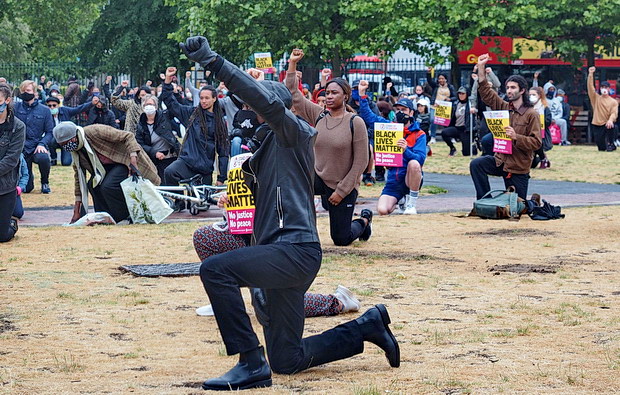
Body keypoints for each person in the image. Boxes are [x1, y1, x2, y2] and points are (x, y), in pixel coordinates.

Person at [180, 35, 400, 391]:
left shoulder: (293, 132)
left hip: (295, 250)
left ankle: (251, 362)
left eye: (256, 102)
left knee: (215, 270)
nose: (248, 107)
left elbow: (260, 98)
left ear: (271, 106)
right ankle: (367, 326)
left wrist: (213, 61)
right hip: (278, 251)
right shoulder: (264, 148)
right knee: (287, 359)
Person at [193, 194, 360, 317]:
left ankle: (336, 302)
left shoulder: (284, 163)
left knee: (268, 305)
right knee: (204, 237)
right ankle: (224, 299)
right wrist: (230, 202)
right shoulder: (250, 161)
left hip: (275, 242)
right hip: (247, 235)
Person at [286, 48, 372, 246]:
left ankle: (364, 220)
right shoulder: (319, 115)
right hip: (319, 177)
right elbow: (293, 93)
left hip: (343, 183)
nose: (330, 96)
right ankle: (297, 232)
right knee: (293, 185)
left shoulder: (355, 122)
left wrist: (342, 191)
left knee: (341, 239)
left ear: (346, 96)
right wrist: (292, 64)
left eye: (335, 93)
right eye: (328, 93)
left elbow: (361, 161)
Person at [52, 121, 160, 224]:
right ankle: (104, 216)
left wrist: (133, 158)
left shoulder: (94, 131)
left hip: (124, 161)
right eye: (63, 145)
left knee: (108, 185)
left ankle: (123, 215)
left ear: (76, 135)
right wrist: (76, 212)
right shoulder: (77, 154)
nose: (67, 146)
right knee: (93, 185)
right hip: (105, 169)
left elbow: (128, 136)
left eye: (69, 142)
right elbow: (79, 183)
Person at [470, 54, 541, 201]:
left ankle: (532, 203)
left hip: (518, 167)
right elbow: (486, 93)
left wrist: (516, 137)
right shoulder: (503, 106)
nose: (509, 90)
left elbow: (536, 143)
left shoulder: (531, 114)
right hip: (500, 161)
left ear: (522, 91)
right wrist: (481, 68)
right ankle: (484, 201)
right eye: (508, 87)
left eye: (513, 88)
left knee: (517, 206)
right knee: (477, 164)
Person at [356, 80, 427, 215]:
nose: (400, 112)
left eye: (404, 110)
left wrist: (406, 150)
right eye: (398, 110)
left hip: (409, 177)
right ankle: (400, 201)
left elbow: (420, 160)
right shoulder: (388, 126)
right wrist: (362, 93)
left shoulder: (419, 134)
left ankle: (411, 203)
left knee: (413, 163)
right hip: (393, 180)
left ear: (411, 113)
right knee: (382, 210)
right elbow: (368, 116)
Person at [161, 67, 229, 194]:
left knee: (200, 207)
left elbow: (223, 153)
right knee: (170, 172)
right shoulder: (191, 114)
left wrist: (221, 178)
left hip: (204, 169)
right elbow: (170, 103)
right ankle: (179, 202)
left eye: (207, 98)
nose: (203, 101)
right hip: (186, 162)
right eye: (201, 98)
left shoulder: (219, 123)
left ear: (214, 99)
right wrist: (167, 82)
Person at [13, 80, 54, 194]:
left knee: (43, 158)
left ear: (35, 93)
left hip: (36, 145)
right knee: (27, 189)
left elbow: (50, 132)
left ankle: (45, 182)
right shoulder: (15, 108)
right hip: (21, 146)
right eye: (23, 91)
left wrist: (42, 144)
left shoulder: (44, 110)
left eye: (28, 90)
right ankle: (25, 181)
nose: (26, 93)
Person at [0, 83, 26, 242]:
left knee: (2, 236)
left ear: (7, 100)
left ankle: (11, 224)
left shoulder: (18, 127)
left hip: (5, 186)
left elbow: (11, 160)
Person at [135, 94, 180, 182]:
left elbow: (175, 107)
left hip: (169, 157)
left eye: (151, 104)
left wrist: (174, 92)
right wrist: (154, 152)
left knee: (171, 184)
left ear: (156, 106)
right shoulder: (141, 124)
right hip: (153, 159)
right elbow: (140, 143)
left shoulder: (164, 116)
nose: (149, 107)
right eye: (146, 104)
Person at [47, 95, 95, 166]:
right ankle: (53, 159)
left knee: (66, 163)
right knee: (51, 140)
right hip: (54, 140)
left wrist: (91, 103)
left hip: (66, 141)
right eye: (49, 106)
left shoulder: (65, 110)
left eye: (54, 105)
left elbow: (78, 109)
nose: (52, 107)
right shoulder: (46, 114)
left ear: (58, 105)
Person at [587, 67, 618, 152]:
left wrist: (610, 120)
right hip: (597, 123)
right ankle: (604, 145)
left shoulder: (613, 101)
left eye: (606, 87)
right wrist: (590, 74)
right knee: (601, 147)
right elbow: (590, 88)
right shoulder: (596, 98)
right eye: (602, 87)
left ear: (609, 88)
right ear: (600, 89)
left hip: (606, 123)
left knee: (612, 127)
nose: (604, 89)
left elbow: (614, 113)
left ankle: (611, 144)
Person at [441, 87, 475, 156]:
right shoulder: (456, 104)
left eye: (463, 93)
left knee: (466, 153)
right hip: (456, 128)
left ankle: (474, 146)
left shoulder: (471, 104)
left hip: (465, 130)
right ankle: (452, 148)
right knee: (444, 132)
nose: (461, 95)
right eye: (459, 93)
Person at [427, 69, 457, 144]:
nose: (441, 80)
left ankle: (451, 137)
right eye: (439, 78)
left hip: (445, 107)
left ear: (446, 79)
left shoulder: (450, 87)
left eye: (442, 78)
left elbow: (455, 97)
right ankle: (433, 137)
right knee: (433, 120)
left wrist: (449, 99)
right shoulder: (436, 86)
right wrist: (429, 73)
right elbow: (429, 81)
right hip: (435, 106)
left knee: (448, 122)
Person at [529, 87, 552, 169]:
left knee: (538, 143)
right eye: (530, 95)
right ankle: (541, 158)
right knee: (532, 165)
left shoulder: (544, 108)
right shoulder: (527, 107)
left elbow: (548, 121)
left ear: (539, 95)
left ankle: (543, 159)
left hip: (542, 133)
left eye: (533, 95)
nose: (531, 96)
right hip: (529, 132)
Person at [12, 154, 28, 219]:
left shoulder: (20, 157)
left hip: (12, 189)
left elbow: (25, 175)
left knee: (18, 213)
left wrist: (20, 187)